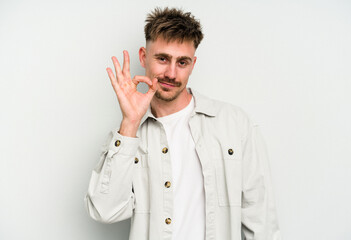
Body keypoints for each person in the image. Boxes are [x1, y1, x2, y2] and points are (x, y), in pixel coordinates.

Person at [84, 7, 281, 240]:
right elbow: (105, 211)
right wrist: (130, 123)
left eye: (182, 62)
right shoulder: (130, 135)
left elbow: (261, 221)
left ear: (193, 63)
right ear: (143, 56)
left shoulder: (235, 124)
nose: (171, 73)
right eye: (162, 58)